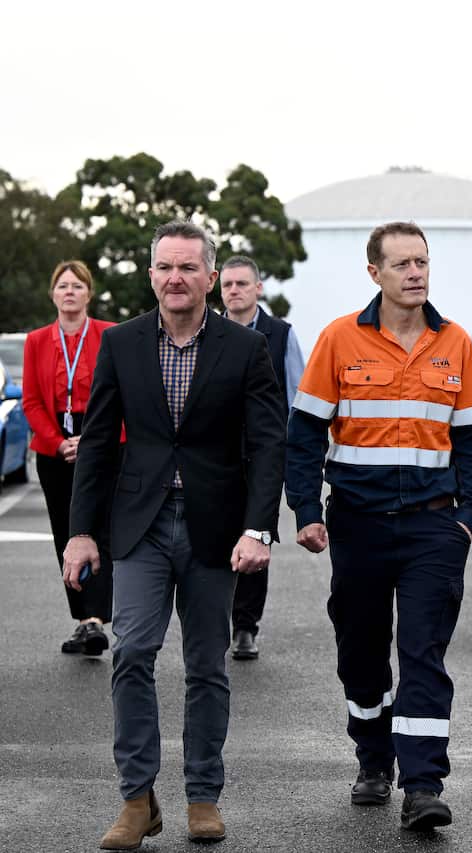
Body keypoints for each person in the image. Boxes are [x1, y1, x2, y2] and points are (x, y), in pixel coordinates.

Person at [63, 220, 285, 849]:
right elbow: (100, 443)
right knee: (131, 653)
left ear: (211, 278)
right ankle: (136, 799)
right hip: (141, 526)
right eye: (166, 267)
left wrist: (258, 527)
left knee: (206, 666)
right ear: (151, 274)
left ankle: (202, 796)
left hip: (216, 529)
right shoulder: (124, 344)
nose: (176, 278)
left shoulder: (244, 349)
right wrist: (82, 532)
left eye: (189, 267)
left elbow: (269, 444)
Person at [286, 221, 472, 833]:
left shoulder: (454, 342)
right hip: (358, 526)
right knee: (361, 652)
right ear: (373, 272)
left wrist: (466, 523)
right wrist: (306, 511)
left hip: (434, 529)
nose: (415, 273)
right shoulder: (338, 340)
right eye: (402, 263)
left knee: (423, 652)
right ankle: (373, 756)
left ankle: (423, 783)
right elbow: (303, 437)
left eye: (422, 262)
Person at [22, 261, 117, 655]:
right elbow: (31, 400)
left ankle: (97, 616)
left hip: (102, 440)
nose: (70, 292)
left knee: (101, 528)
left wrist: (91, 440)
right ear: (53, 294)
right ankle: (84, 620)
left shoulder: (110, 336)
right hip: (55, 446)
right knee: (66, 532)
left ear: (88, 294)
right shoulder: (37, 341)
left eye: (77, 286)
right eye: (62, 286)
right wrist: (57, 441)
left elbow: (118, 396)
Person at [219, 254, 305, 662]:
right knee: (213, 539)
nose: (233, 291)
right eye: (227, 285)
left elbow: (297, 401)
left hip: (262, 457)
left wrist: (289, 458)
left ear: (258, 288)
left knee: (256, 538)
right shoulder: (207, 330)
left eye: (241, 284)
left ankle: (245, 627)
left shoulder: (281, 335)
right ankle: (214, 619)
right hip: (213, 456)